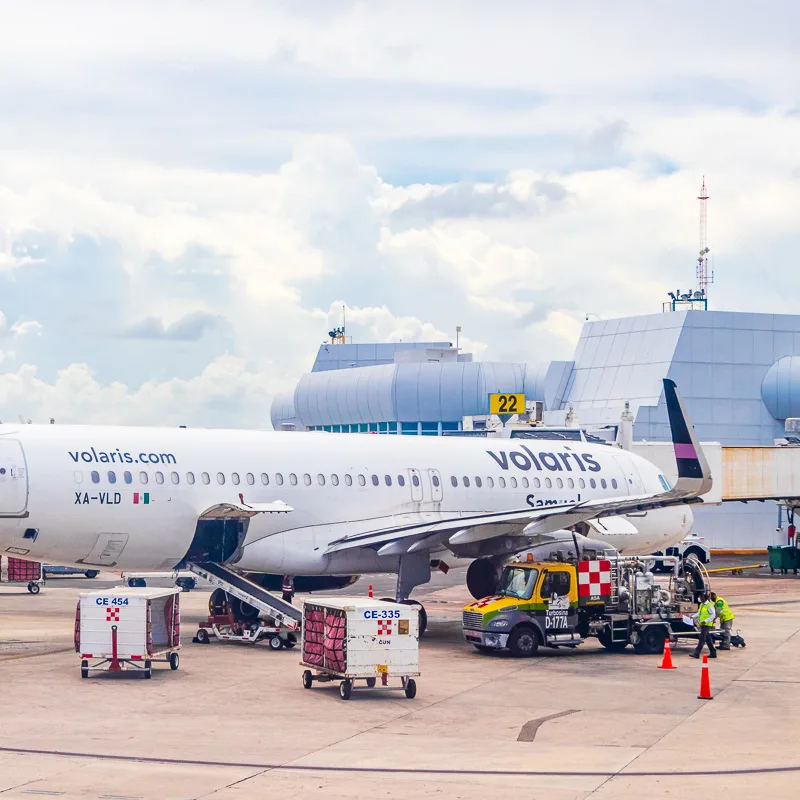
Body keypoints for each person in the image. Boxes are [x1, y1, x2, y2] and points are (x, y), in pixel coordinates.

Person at [690, 591, 717, 659]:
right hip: (702, 624)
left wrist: (706, 620)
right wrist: (693, 616)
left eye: (701, 597)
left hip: (706, 624)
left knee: (702, 639)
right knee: (708, 639)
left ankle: (696, 653)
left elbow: (713, 615)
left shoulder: (709, 606)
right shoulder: (702, 605)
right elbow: (699, 613)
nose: (700, 599)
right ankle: (713, 652)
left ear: (704, 598)